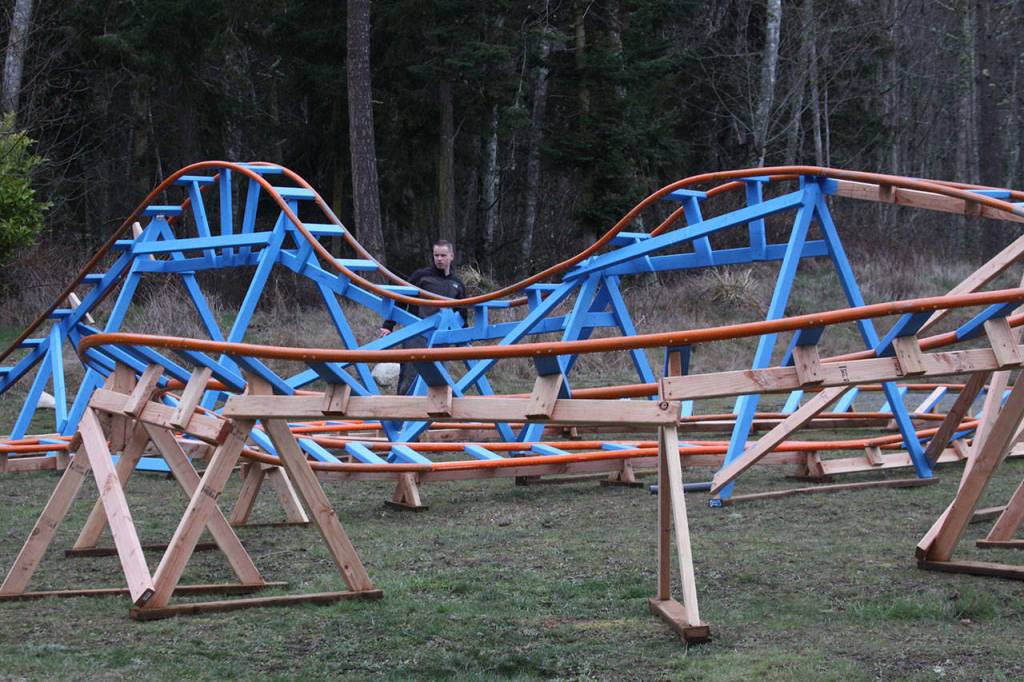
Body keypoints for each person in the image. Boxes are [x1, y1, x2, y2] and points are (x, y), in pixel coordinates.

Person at [379, 240, 469, 394]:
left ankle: (433, 415)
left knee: (439, 378)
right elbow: (402, 300)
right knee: (409, 376)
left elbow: (461, 313)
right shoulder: (421, 276)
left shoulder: (457, 283)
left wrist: (464, 337)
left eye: (443, 255)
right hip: (416, 334)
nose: (439, 259)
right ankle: (403, 412)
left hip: (441, 338)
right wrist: (388, 325)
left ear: (451, 256)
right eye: (436, 255)